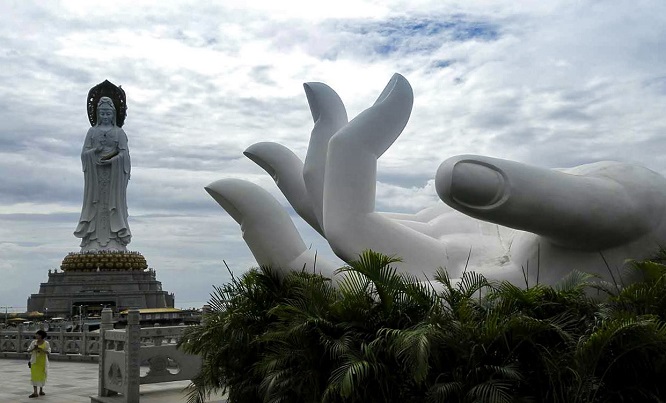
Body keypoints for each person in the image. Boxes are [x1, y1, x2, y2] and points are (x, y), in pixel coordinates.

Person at [74, 96, 132, 251]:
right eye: (102, 113)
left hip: (114, 176)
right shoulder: (92, 132)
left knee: (113, 205)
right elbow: (84, 154)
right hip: (96, 177)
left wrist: (113, 160)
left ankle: (115, 240)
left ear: (113, 115)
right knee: (95, 204)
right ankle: (92, 241)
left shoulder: (119, 133)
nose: (105, 116)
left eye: (108, 113)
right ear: (98, 114)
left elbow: (125, 155)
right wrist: (95, 151)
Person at [27, 330, 51, 398]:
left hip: (42, 362)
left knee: (42, 376)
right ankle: (35, 392)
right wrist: (33, 349)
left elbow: (48, 352)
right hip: (34, 362)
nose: (36, 335)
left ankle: (41, 390)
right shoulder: (33, 342)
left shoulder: (46, 343)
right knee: (34, 376)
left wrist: (41, 349)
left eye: (37, 334)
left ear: (41, 336)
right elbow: (28, 350)